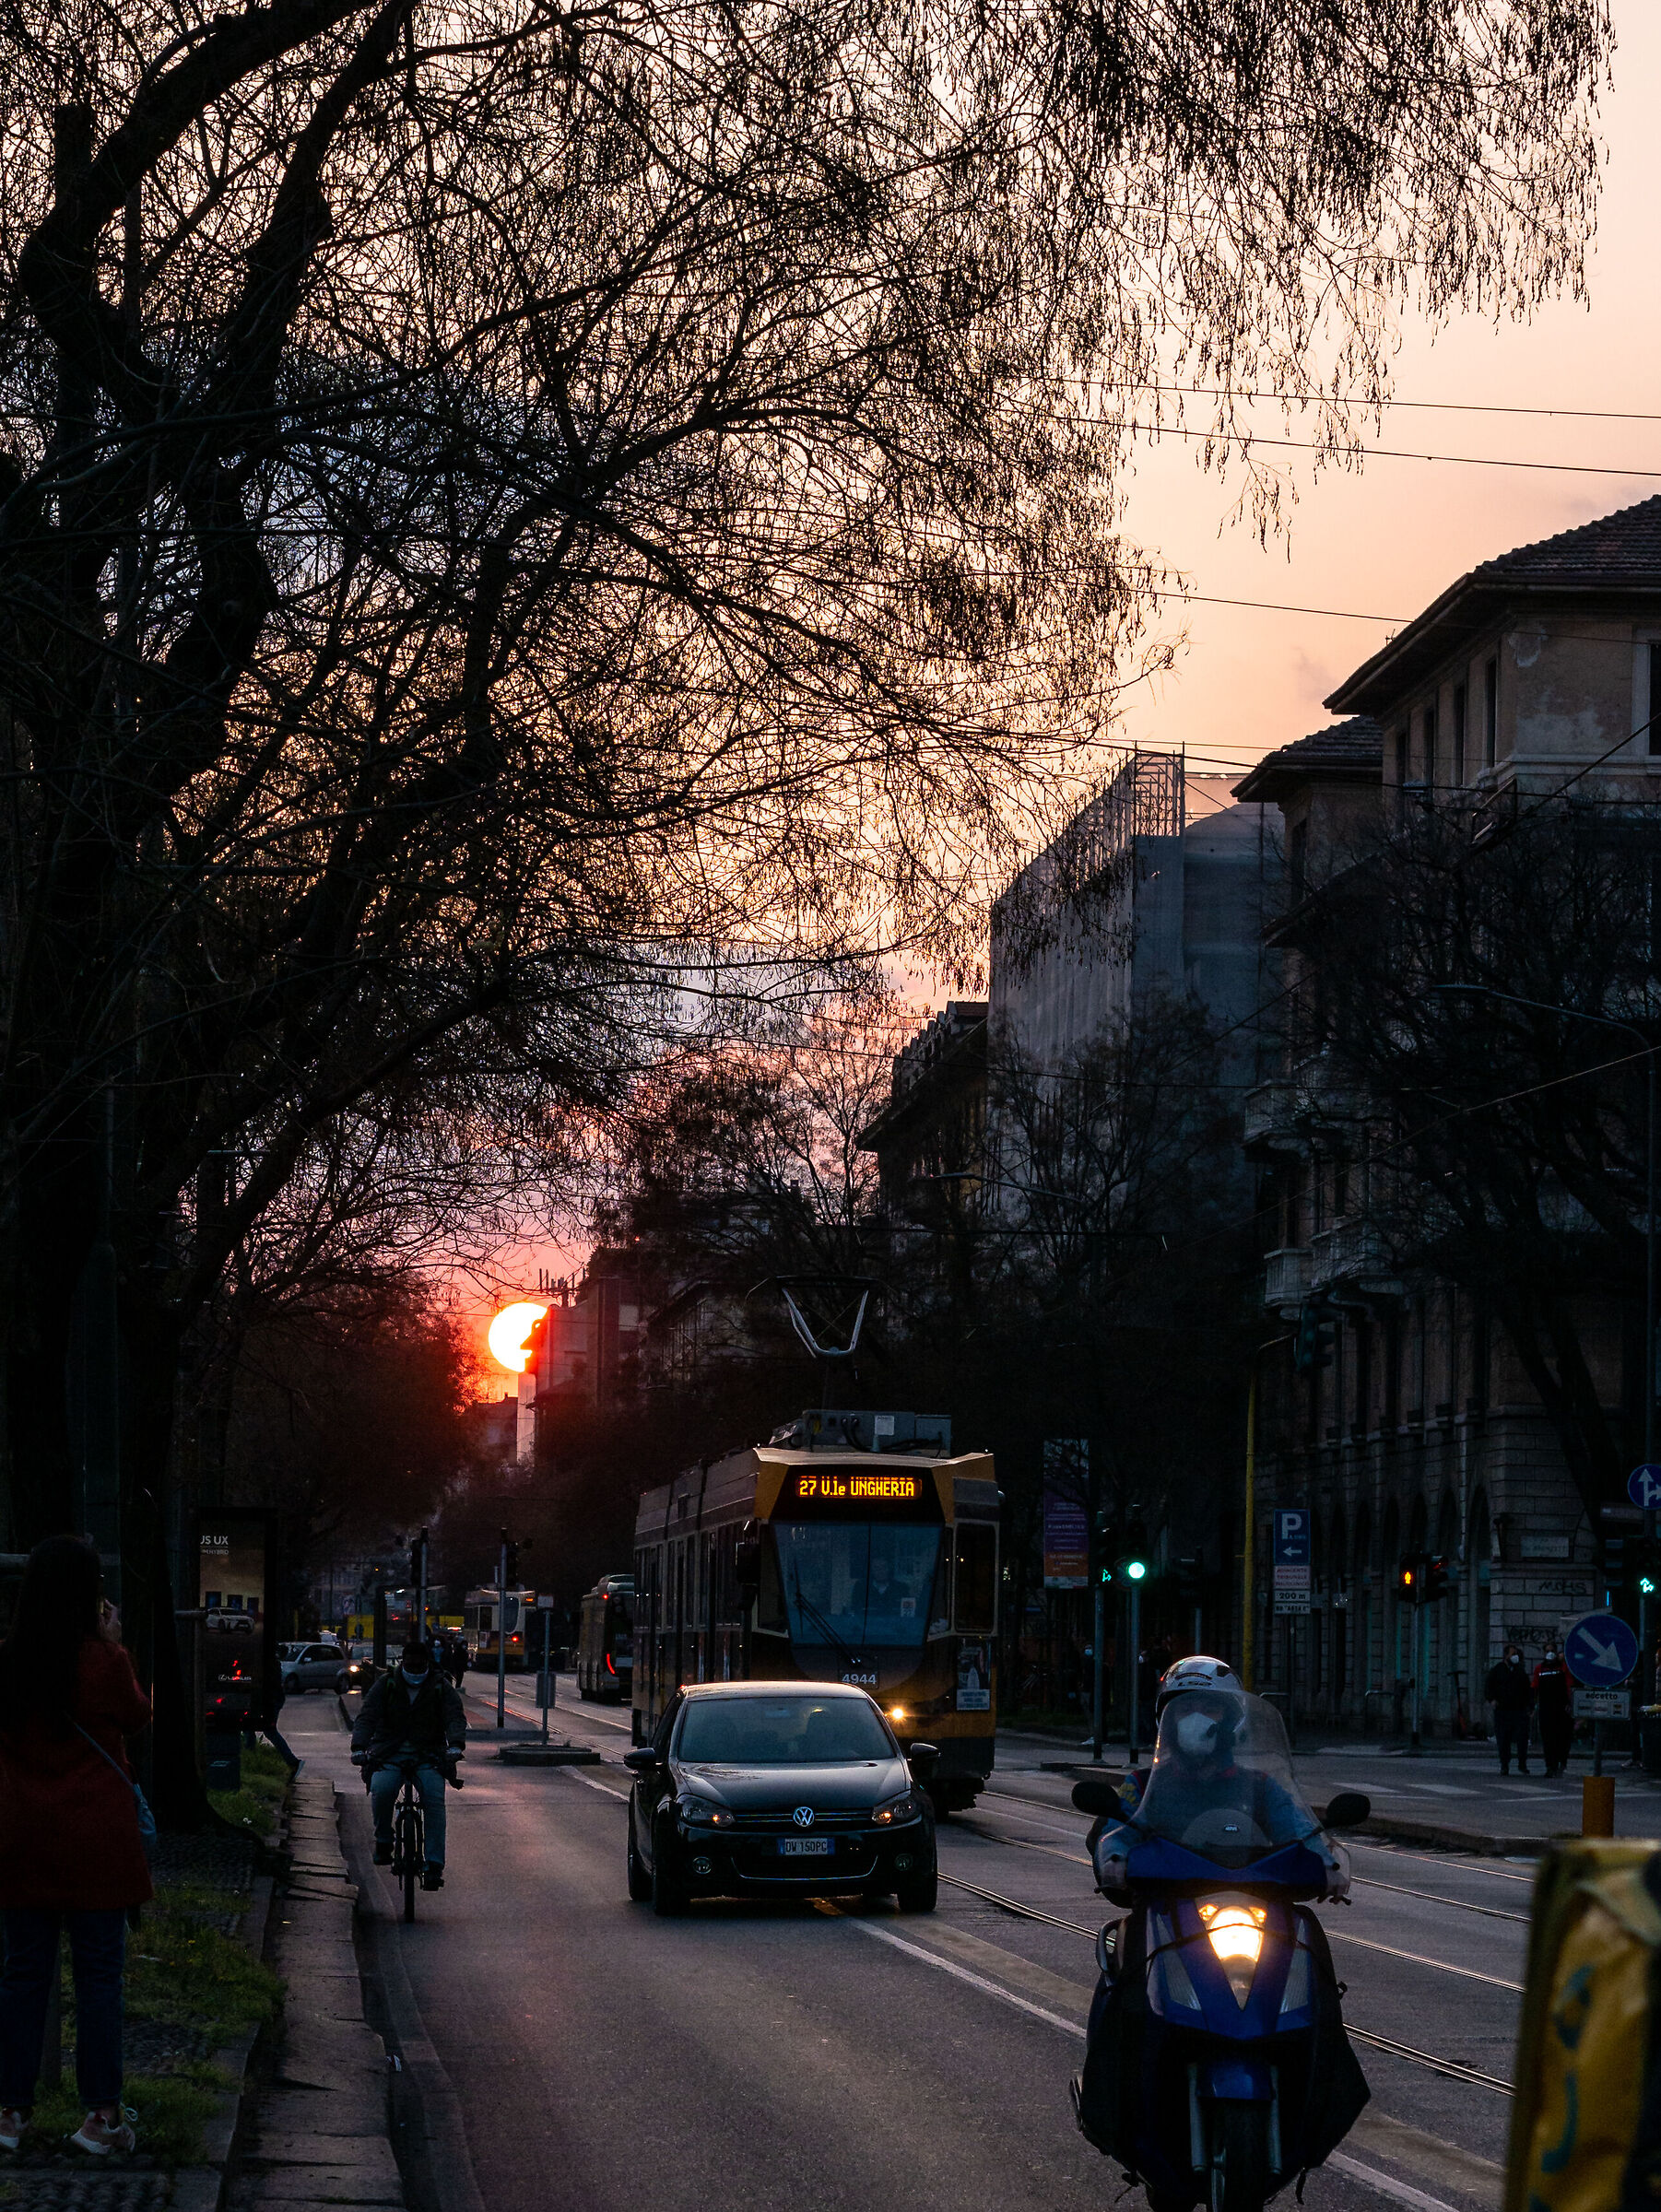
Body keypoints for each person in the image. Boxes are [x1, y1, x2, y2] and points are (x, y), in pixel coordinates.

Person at [0, 1535, 153, 2158]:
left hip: (21, 1840)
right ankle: (101, 2117)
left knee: (21, 1979)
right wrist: (115, 1646)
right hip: (96, 1843)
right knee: (98, 1980)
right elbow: (140, 1716)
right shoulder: (104, 1662)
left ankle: (9, 2113)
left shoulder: (7, 1662)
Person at [350, 1641, 465, 1889]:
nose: (414, 1668)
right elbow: (367, 1717)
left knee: (435, 1801)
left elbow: (455, 1716)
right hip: (389, 1753)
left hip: (428, 1755)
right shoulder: (386, 1684)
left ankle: (434, 1864)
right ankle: (384, 1840)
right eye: (409, 1662)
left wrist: (455, 1744)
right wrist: (358, 1747)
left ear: (427, 1663)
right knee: (382, 1790)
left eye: (419, 1663)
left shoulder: (440, 1687)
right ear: (402, 1661)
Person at [1485, 1644, 1535, 1774]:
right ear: (1506, 1655)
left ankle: (1522, 1764)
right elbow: (1489, 1687)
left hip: (1519, 1710)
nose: (1515, 1657)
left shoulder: (1520, 1670)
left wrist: (1530, 1706)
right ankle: (1504, 1765)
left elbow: (1527, 1690)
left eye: (1516, 1654)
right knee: (1503, 1739)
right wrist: (1492, 1700)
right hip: (1503, 1710)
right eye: (1512, 1654)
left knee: (1522, 1738)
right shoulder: (1497, 1670)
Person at [1533, 1641, 1573, 1777]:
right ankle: (1550, 1766)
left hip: (1561, 1709)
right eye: (1547, 1651)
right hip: (1546, 1709)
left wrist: (1569, 1703)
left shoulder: (1563, 1668)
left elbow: (1569, 1685)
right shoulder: (1540, 1669)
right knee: (1548, 1740)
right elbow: (1535, 1688)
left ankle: (1561, 1762)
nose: (1550, 1653)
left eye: (1552, 1651)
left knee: (1562, 1738)